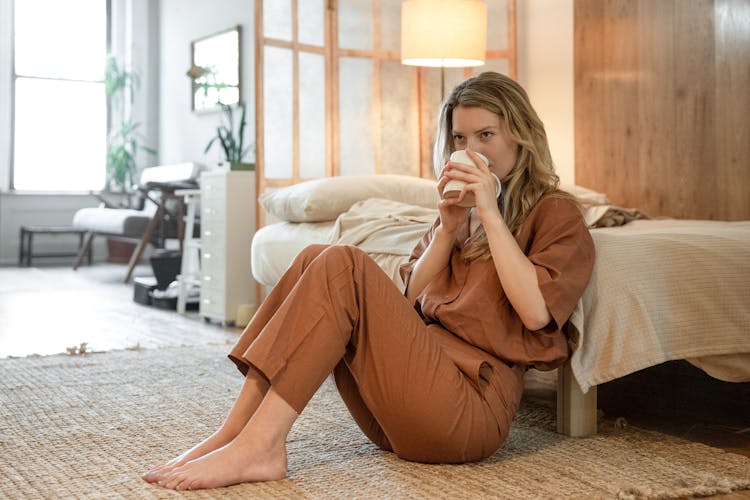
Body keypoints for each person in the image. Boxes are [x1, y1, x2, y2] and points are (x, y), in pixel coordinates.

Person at [143, 71, 595, 491]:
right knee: (315, 258)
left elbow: (536, 314)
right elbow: (409, 302)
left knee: (345, 264)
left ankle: (260, 446)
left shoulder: (555, 212)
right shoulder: (458, 214)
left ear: (521, 135)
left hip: (469, 413)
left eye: (486, 135)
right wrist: (448, 229)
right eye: (459, 137)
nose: (471, 148)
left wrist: (491, 216)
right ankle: (235, 434)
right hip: (400, 407)